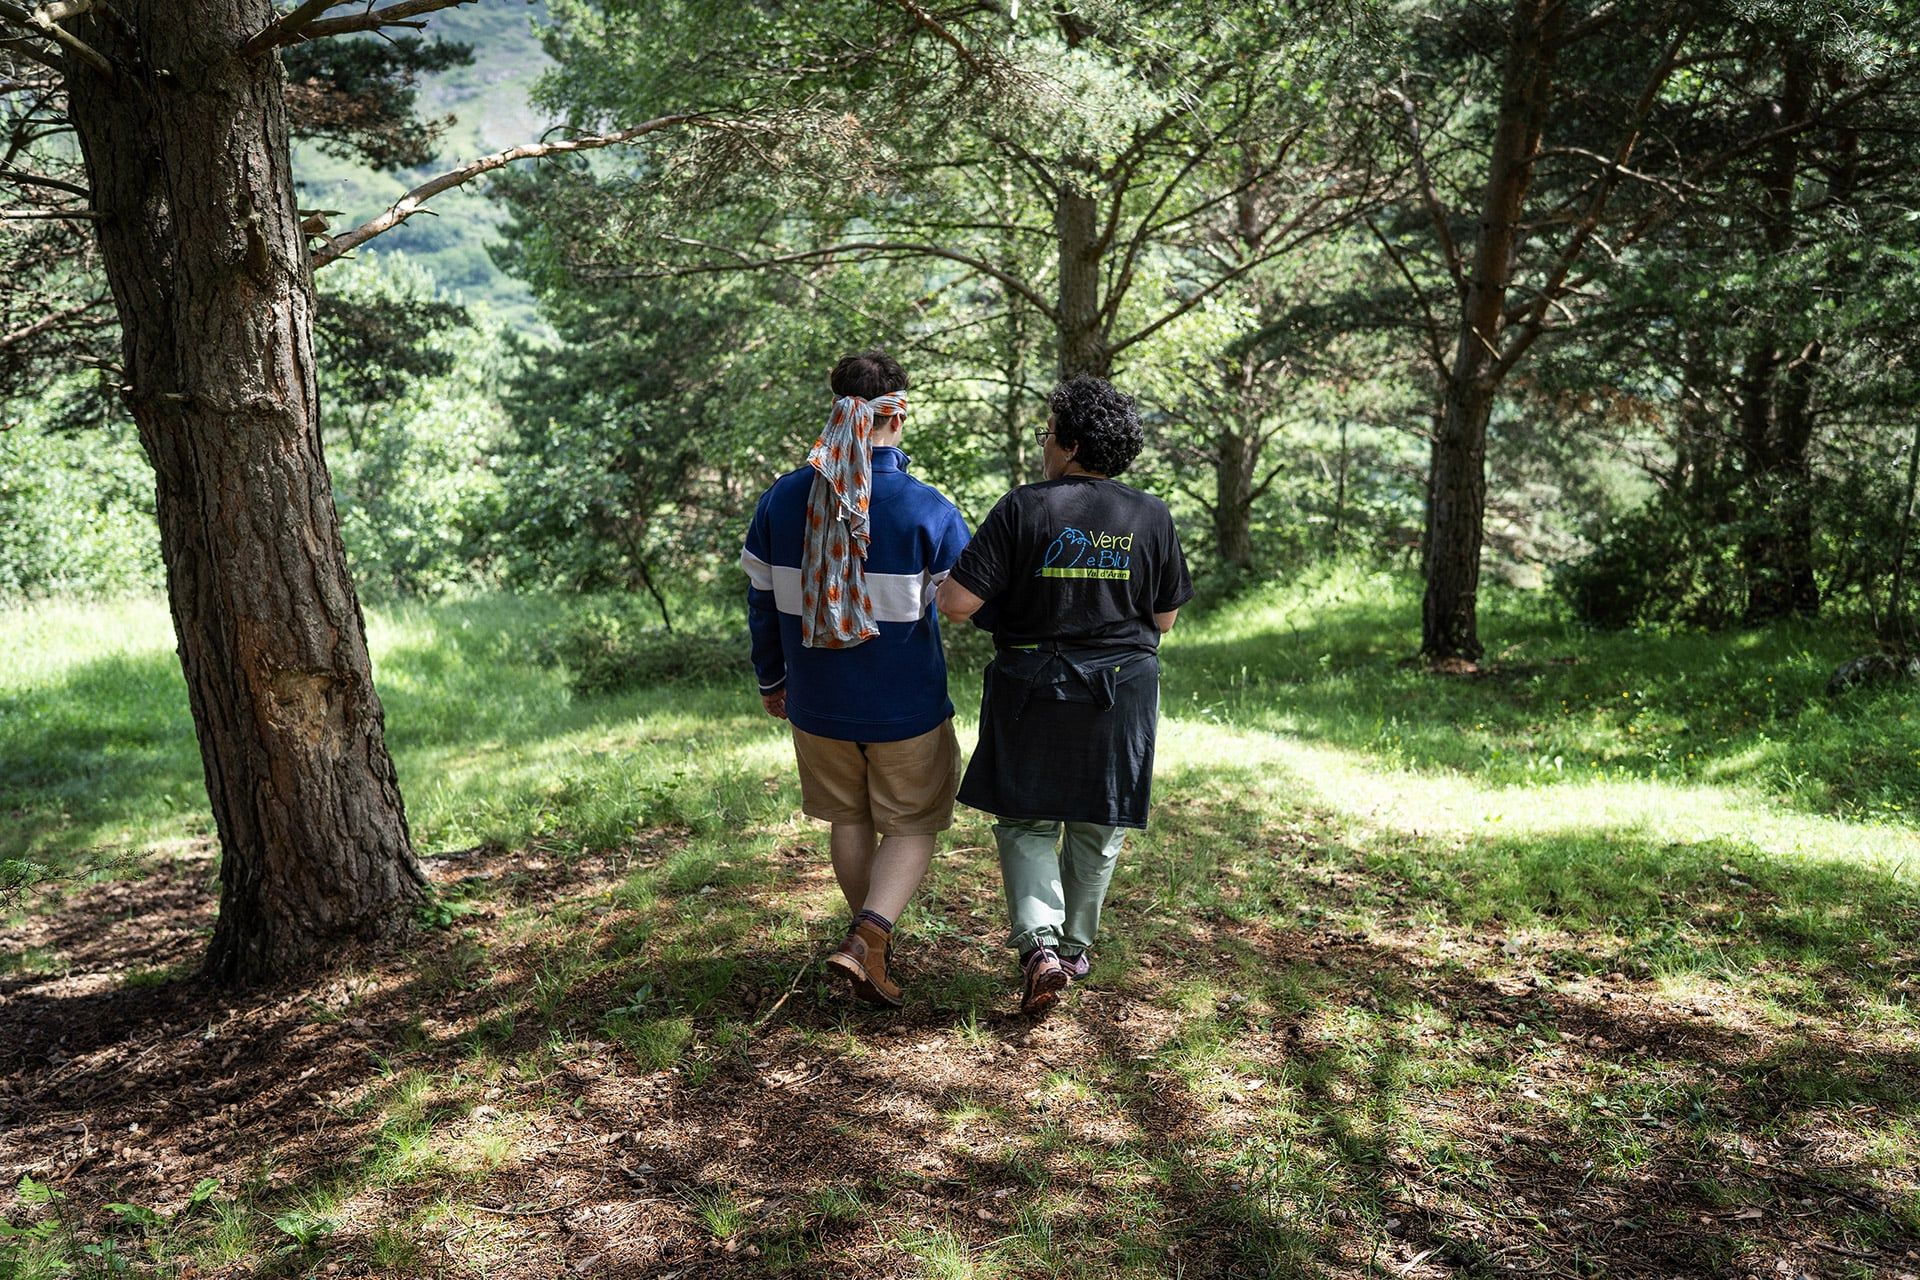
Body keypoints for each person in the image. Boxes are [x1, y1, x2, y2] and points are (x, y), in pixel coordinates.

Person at [936, 373, 1192, 1015]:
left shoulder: (1025, 506)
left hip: (1034, 686)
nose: (1044, 445)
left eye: (1049, 435)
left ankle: (1040, 949)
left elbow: (959, 605)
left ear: (1072, 444)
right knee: (1098, 821)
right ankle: (1075, 949)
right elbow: (1163, 620)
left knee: (1026, 819)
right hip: (1122, 693)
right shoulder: (1151, 514)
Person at [741, 350, 971, 1008]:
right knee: (911, 821)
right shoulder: (925, 507)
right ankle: (869, 935)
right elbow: (963, 602)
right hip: (906, 704)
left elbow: (760, 602)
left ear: (835, 406)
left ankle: (868, 944)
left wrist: (772, 680)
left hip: (815, 700)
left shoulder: (784, 499)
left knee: (848, 817)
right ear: (897, 413)